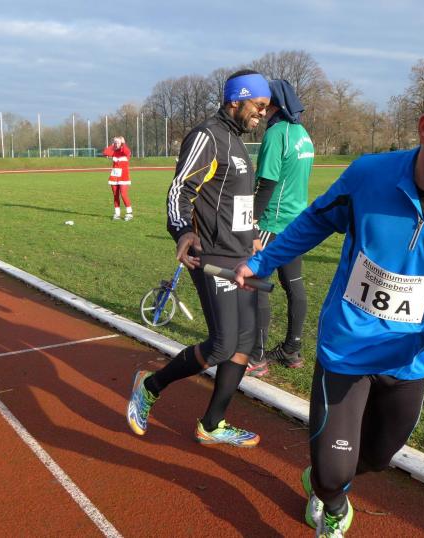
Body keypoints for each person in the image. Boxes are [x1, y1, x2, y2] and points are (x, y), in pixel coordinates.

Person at [235, 75, 424, 537]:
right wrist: (262, 261)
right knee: (332, 474)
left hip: (409, 361)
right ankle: (330, 500)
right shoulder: (368, 176)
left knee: (376, 458)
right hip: (346, 350)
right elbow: (314, 220)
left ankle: (331, 476)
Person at [126, 70, 271, 447]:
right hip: (213, 255)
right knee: (223, 344)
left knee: (244, 344)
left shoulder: (237, 141)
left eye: (266, 107)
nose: (263, 113)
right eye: (259, 105)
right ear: (236, 100)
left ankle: (212, 423)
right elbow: (180, 189)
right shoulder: (207, 136)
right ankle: (150, 386)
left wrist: (253, 233)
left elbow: (236, 200)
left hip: (242, 255)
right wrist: (181, 230)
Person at [246, 79, 315, 378]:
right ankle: (291, 350)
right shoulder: (303, 134)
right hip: (297, 223)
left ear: (274, 104)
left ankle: (256, 356)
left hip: (272, 223)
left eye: (264, 103)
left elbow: (267, 183)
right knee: (293, 283)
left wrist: (251, 220)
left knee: (255, 284)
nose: (262, 110)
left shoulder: (277, 133)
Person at [102, 136, 133, 220]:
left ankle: (129, 213)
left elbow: (127, 151)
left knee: (123, 194)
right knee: (115, 195)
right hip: (114, 176)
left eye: (118, 142)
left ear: (122, 143)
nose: (116, 144)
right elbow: (105, 152)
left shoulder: (125, 151)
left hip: (124, 176)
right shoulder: (114, 152)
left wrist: (123, 143)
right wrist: (113, 145)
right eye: (115, 142)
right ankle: (117, 213)